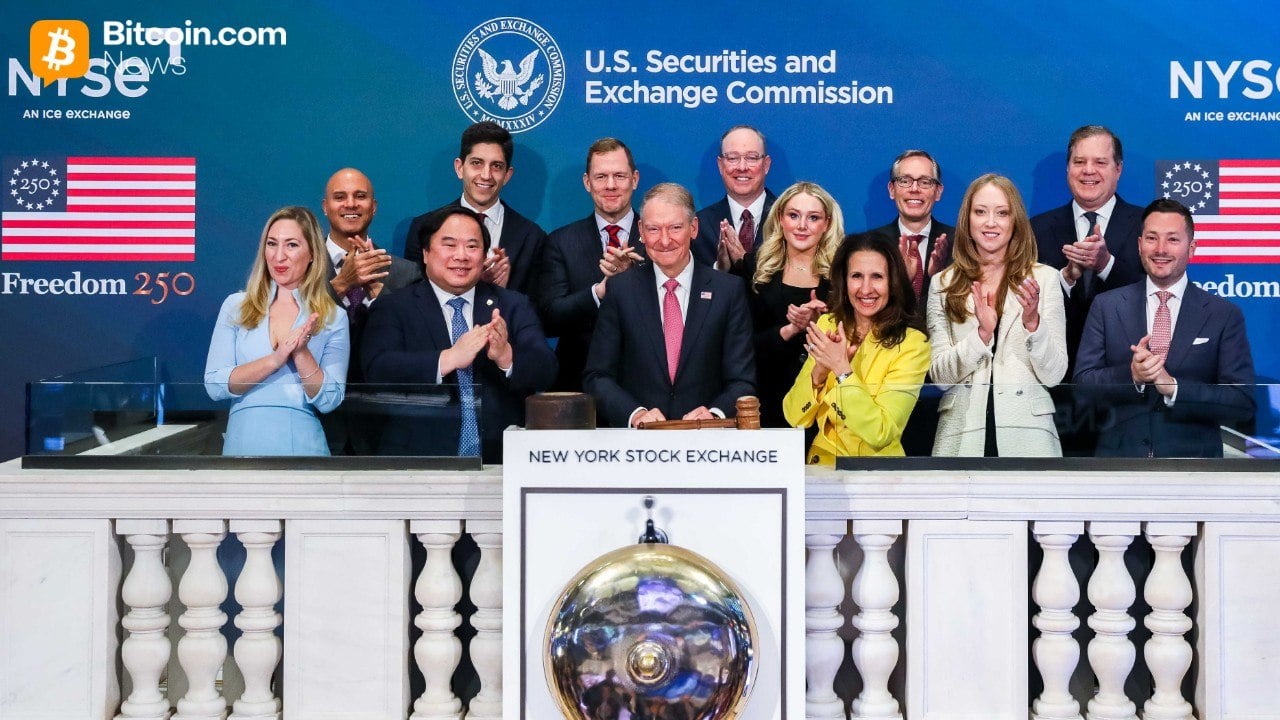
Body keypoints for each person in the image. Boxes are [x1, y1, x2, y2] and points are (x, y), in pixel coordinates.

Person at [362, 206, 556, 462]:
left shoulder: (511, 305)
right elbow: (377, 369)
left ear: (484, 255)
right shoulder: (394, 306)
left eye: (472, 246)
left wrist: (506, 356)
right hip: (418, 458)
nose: (461, 256)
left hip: (500, 458)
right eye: (450, 245)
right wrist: (448, 359)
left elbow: (547, 369)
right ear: (426, 253)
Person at [1074, 198, 1255, 457]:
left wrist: (1174, 388)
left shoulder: (1223, 314)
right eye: (1152, 238)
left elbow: (1242, 402)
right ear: (1140, 245)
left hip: (1193, 466)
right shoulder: (1107, 306)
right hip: (1120, 465)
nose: (1160, 249)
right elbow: (1082, 387)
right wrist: (1132, 376)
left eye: (1172, 239)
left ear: (1191, 248)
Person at [584, 183, 756, 428]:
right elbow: (597, 376)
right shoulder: (621, 290)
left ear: (693, 228)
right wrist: (635, 414)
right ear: (641, 231)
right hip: (639, 442)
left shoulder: (728, 291)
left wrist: (715, 415)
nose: (664, 241)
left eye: (675, 228)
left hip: (708, 442)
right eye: (654, 229)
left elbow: (743, 380)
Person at [926, 174, 1068, 456]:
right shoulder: (942, 283)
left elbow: (1054, 374)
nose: (990, 222)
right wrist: (981, 336)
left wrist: (1033, 324)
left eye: (1002, 213)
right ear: (967, 220)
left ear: (1015, 221)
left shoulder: (1045, 279)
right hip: (961, 439)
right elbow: (940, 376)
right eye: (980, 212)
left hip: (1029, 441)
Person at [205, 206, 349, 455]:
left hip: (304, 451)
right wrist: (275, 359)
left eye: (291, 245)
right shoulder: (235, 306)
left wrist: (301, 353)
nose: (279, 256)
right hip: (242, 447)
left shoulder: (333, 316)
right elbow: (215, 384)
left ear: (312, 253)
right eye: (272, 244)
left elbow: (329, 400)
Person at [783, 233, 930, 464]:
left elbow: (880, 432)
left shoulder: (912, 344)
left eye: (877, 277)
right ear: (844, 281)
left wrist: (842, 370)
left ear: (893, 283)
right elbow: (794, 417)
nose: (866, 288)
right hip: (820, 469)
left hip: (874, 472)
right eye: (856, 276)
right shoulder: (828, 324)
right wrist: (819, 371)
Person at [1031, 125, 1145, 376]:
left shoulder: (1146, 225)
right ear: (1068, 168)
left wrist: (1106, 265)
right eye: (1079, 161)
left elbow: (1156, 295)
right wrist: (1066, 278)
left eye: (1100, 162)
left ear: (1118, 169)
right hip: (1054, 379)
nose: (1088, 170)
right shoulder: (1035, 230)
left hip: (1126, 376)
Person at [534, 138, 646, 391]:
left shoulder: (659, 239)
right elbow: (549, 318)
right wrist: (599, 292)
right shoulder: (560, 242)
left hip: (646, 386)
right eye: (601, 177)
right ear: (587, 182)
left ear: (635, 179)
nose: (610, 185)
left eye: (619, 176)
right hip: (578, 386)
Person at [734, 181, 842, 428]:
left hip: (825, 404)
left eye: (813, 218)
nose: (802, 225)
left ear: (826, 223)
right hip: (767, 398)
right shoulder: (754, 268)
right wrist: (789, 330)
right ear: (780, 218)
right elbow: (738, 345)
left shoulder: (842, 274)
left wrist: (818, 324)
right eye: (794, 215)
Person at [404, 121, 547, 295]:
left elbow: (535, 306)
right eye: (477, 163)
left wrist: (500, 294)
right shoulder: (423, 227)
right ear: (459, 168)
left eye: (496, 166)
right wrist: (475, 286)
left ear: (507, 175)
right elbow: (412, 298)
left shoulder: (532, 237)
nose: (486, 175)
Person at [321, 167, 421, 381]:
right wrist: (341, 284)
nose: (350, 204)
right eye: (340, 197)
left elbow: (416, 341)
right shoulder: (302, 266)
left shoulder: (405, 273)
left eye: (360, 196)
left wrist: (379, 293)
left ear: (373, 207)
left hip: (383, 395)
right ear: (325, 207)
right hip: (315, 393)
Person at [864, 149, 954, 304]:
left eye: (925, 182)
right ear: (892, 190)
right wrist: (901, 281)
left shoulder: (959, 244)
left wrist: (937, 278)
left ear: (938, 192)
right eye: (905, 181)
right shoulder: (870, 244)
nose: (914, 189)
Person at [693, 125, 777, 270]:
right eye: (732, 158)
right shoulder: (699, 226)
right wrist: (719, 269)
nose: (742, 167)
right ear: (720, 165)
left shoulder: (789, 219)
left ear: (766, 165)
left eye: (752, 158)